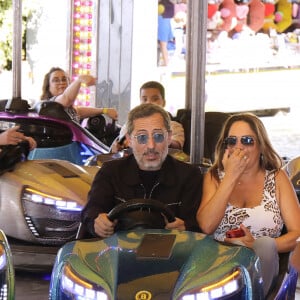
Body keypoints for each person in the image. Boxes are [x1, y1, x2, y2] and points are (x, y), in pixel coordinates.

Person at [196, 112, 300, 297]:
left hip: (265, 263)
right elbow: (206, 225)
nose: (239, 147)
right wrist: (231, 176)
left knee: (265, 246)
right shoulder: (214, 177)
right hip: (221, 264)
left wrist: (257, 245)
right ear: (225, 146)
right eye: (232, 141)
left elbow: (297, 234)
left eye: (247, 141)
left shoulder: (276, 177)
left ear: (260, 145)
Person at [81, 103, 203, 238]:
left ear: (169, 138)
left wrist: (186, 227)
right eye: (142, 138)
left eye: (158, 136)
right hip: (118, 252)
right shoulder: (110, 172)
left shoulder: (190, 176)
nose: (151, 145)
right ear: (129, 140)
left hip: (173, 253)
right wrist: (97, 222)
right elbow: (91, 210)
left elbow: (199, 224)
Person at [111, 80, 185, 152]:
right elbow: (122, 144)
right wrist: (118, 148)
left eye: (155, 99)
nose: (149, 102)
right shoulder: (128, 126)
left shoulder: (174, 126)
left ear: (164, 102)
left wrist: (162, 140)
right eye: (145, 99)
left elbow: (177, 146)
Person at [40, 67, 118, 123]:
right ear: (48, 87)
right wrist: (79, 80)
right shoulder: (49, 105)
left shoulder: (68, 109)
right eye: (56, 80)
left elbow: (79, 111)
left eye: (64, 79)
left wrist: (104, 110)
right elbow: (66, 99)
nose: (61, 82)